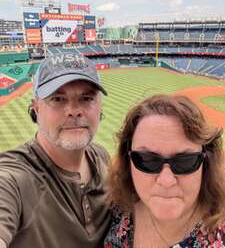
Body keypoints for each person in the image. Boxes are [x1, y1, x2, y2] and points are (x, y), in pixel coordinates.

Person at [0, 52, 111, 248]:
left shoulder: (101, 157)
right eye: (58, 99)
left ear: (100, 106)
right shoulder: (13, 178)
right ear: (36, 108)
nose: (74, 110)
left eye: (86, 98)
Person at [104, 94, 225, 248]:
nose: (166, 181)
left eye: (185, 161)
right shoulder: (118, 207)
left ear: (207, 162)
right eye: (146, 160)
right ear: (128, 161)